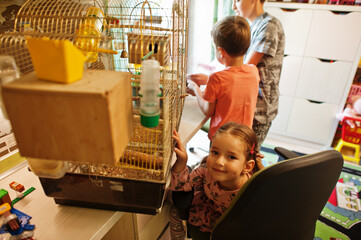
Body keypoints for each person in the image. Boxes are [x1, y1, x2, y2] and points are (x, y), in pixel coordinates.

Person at [189, 0, 285, 146]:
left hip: (258, 111)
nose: (233, 6)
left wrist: (207, 83)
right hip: (239, 110)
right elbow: (239, 68)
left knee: (242, 159)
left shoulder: (269, 26)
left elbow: (239, 70)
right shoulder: (247, 27)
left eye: (237, 0)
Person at [168, 122, 264, 239]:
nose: (219, 162)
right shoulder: (206, 171)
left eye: (231, 157)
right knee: (174, 211)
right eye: (215, 152)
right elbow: (182, 185)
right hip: (207, 212)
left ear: (247, 167)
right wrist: (182, 161)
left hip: (233, 226)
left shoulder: (250, 191)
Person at [187, 15, 260, 141]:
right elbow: (229, 95)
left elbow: (207, 110)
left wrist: (195, 89)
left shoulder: (216, 78)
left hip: (222, 140)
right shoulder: (253, 71)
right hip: (244, 138)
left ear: (221, 51)